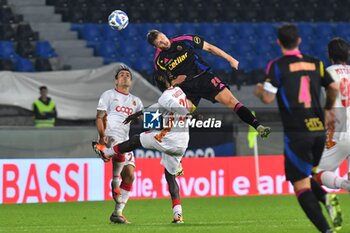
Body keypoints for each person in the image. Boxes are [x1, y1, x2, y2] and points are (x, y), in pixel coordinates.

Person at [255, 23, 340, 233]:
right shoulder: (316, 63)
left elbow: (267, 98)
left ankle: (326, 230)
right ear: (299, 40)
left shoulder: (277, 65)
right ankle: (326, 196)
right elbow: (333, 87)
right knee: (306, 176)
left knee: (300, 186)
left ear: (279, 42)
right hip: (319, 131)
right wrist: (329, 109)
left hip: (297, 133)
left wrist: (258, 90)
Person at [93, 78, 195, 224]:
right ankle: (178, 215)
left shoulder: (165, 96)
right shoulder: (178, 92)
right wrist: (138, 114)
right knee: (170, 176)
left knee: (136, 139)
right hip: (183, 142)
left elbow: (173, 106)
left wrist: (191, 114)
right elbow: (158, 108)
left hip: (168, 139)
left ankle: (107, 153)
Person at [146, 30, 271, 138]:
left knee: (232, 102)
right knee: (178, 116)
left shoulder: (184, 40)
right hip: (186, 89)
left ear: (164, 34)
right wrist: (175, 81)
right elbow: (165, 86)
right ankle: (165, 145)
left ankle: (258, 127)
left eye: (163, 37)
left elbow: (210, 48)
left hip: (204, 78)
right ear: (155, 46)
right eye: (159, 42)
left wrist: (230, 59)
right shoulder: (159, 61)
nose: (164, 41)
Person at [93, 65, 143, 224]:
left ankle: (117, 213)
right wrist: (102, 136)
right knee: (117, 150)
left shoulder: (136, 101)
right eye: (121, 75)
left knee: (130, 175)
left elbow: (143, 119)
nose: (125, 77)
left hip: (125, 139)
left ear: (131, 81)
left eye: (128, 75)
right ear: (116, 81)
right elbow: (99, 117)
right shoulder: (108, 95)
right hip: (110, 137)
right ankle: (114, 182)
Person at [314, 38, 350, 192]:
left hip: (340, 131)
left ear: (329, 54)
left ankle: (345, 185)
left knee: (315, 172)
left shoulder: (327, 73)